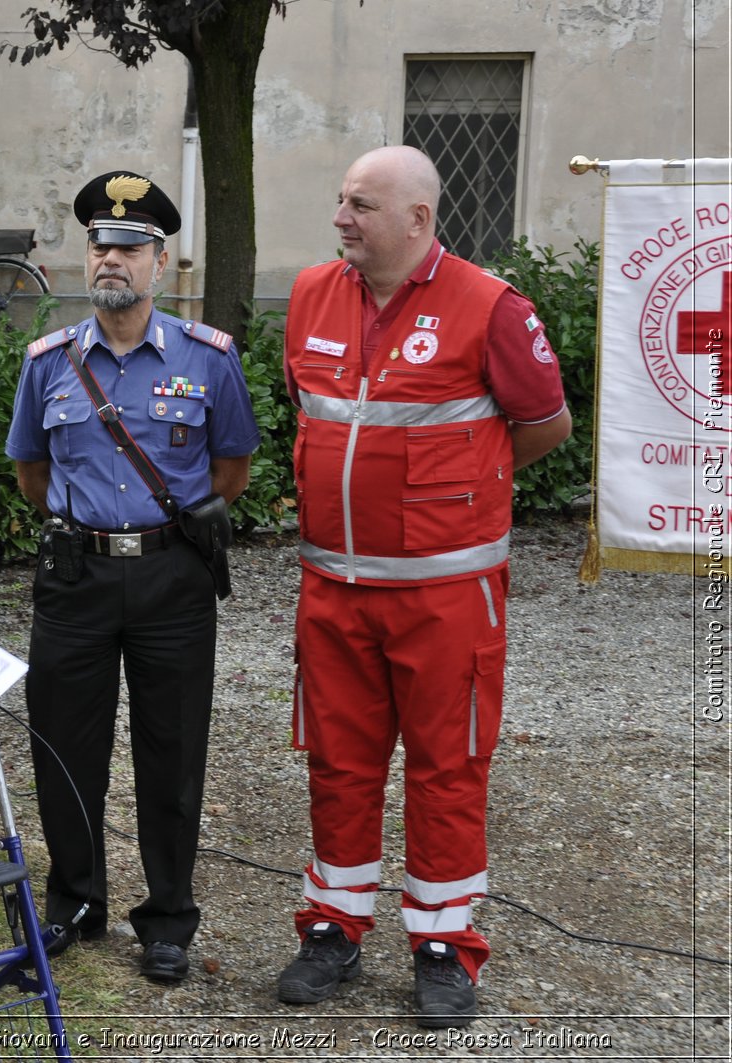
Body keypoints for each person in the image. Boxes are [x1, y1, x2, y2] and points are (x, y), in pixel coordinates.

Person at [276, 145, 570, 1028]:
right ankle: (334, 924)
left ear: (417, 219)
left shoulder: (490, 307)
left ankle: (443, 944)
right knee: (338, 761)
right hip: (334, 586)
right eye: (339, 201)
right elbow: (316, 414)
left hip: (446, 594)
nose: (340, 218)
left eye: (360, 205)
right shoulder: (308, 295)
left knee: (448, 767)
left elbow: (544, 424)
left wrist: (456, 495)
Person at [5, 171, 259, 985]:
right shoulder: (48, 361)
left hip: (170, 581)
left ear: (160, 261)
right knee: (64, 746)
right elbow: (32, 473)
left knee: (172, 748)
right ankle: (76, 901)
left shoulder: (208, 359)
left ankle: (167, 919)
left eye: (129, 247)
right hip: (75, 578)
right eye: (99, 245)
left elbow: (232, 468)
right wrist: (88, 527)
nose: (110, 259)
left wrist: (158, 529)